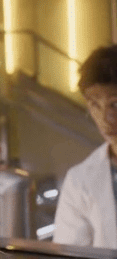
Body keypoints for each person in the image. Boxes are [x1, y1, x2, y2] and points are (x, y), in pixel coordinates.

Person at [53, 45, 117, 249]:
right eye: (95, 105)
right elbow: (69, 251)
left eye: (114, 104)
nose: (105, 118)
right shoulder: (80, 180)